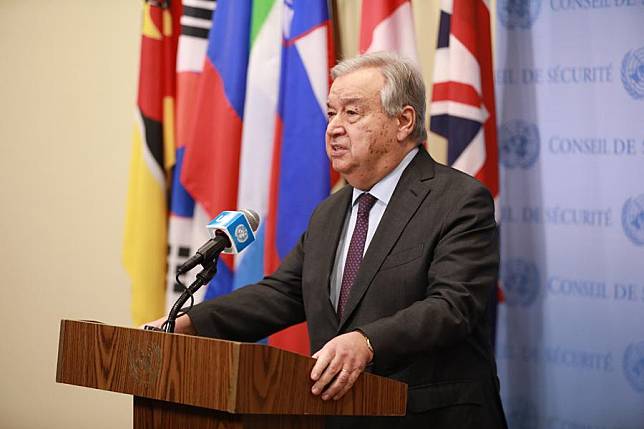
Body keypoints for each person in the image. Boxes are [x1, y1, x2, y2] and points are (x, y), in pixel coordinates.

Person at [146, 52, 507, 428]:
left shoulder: (458, 200)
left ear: (403, 121)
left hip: (433, 417)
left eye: (352, 113)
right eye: (332, 113)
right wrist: (184, 324)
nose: (334, 127)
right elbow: (283, 294)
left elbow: (453, 305)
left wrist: (366, 342)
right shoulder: (329, 213)